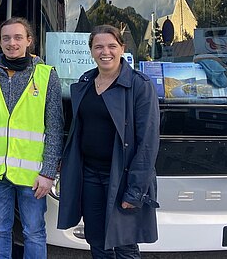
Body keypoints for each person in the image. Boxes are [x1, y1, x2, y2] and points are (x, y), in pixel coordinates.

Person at [57, 25, 160, 258]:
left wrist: (135, 191)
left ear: (122, 48)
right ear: (91, 50)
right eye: (99, 46)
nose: (106, 52)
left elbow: (148, 144)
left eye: (112, 46)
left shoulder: (139, 85)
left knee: (125, 244)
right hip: (89, 174)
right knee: (96, 240)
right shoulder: (85, 82)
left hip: (122, 176)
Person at [0, 17, 63, 259]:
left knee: (33, 232)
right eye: (6, 38)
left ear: (29, 41)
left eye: (18, 37)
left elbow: (55, 127)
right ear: (0, 43)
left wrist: (48, 172)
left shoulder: (46, 75)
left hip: (32, 175)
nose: (12, 43)